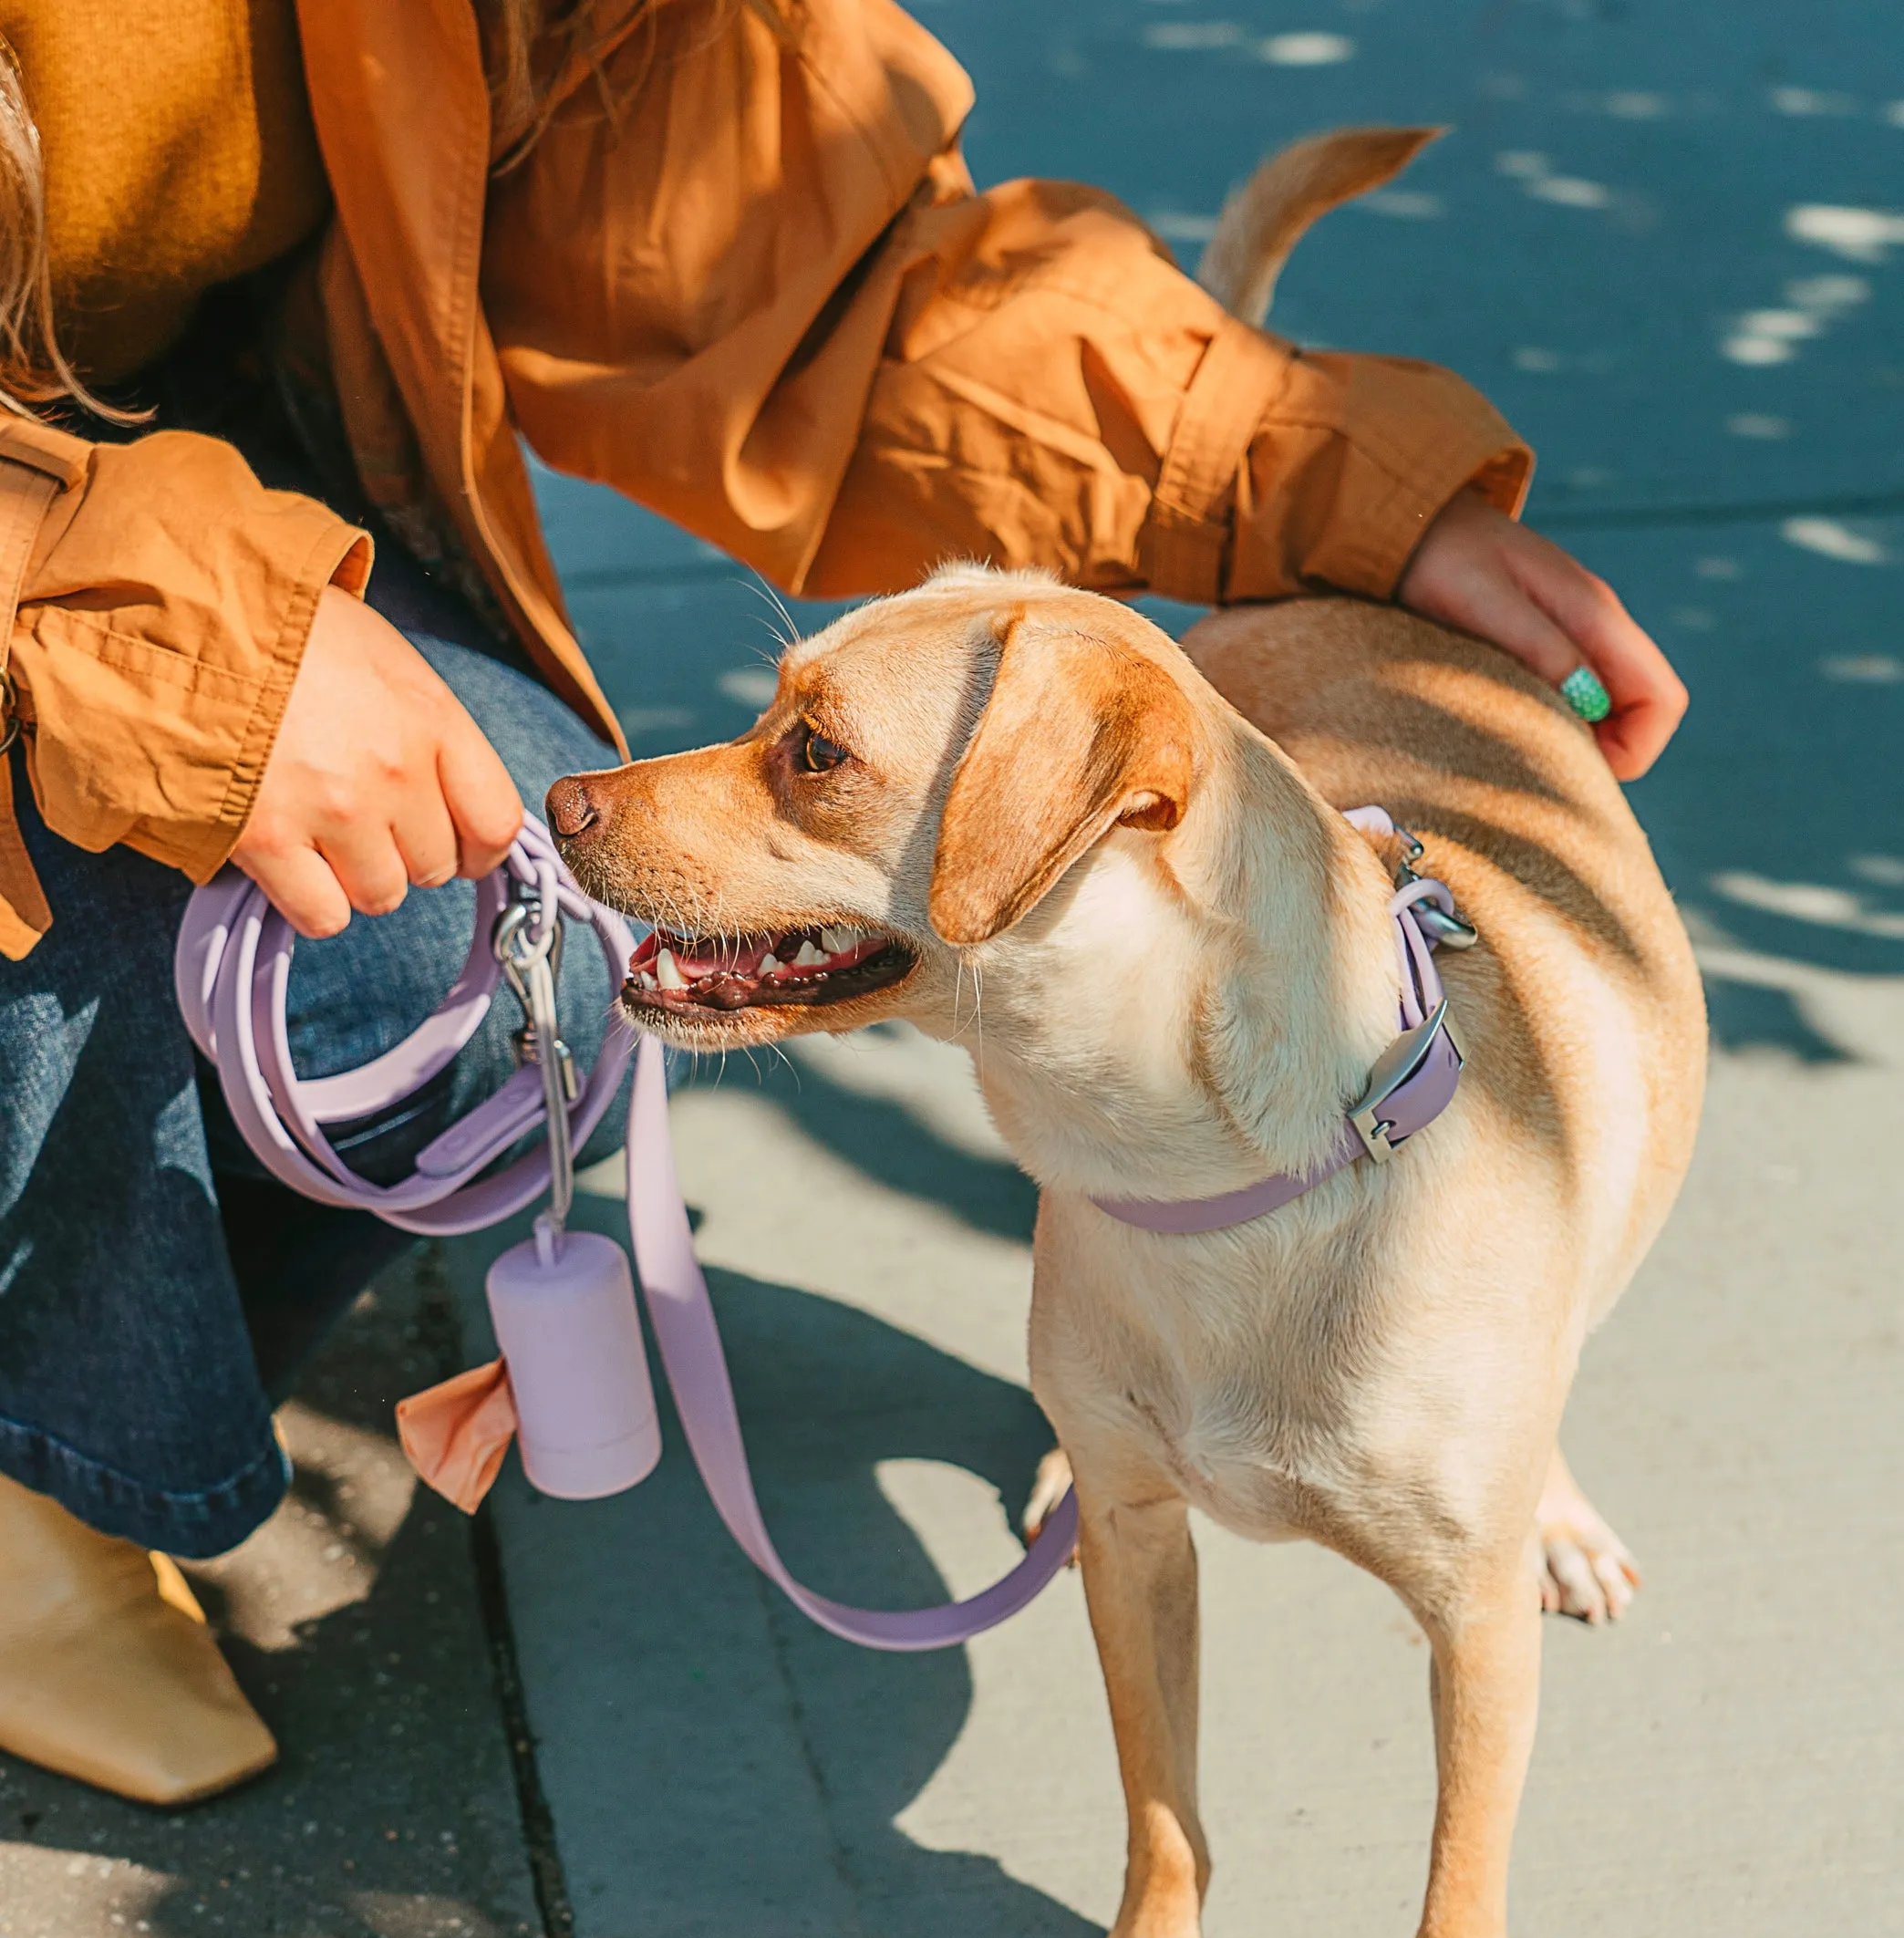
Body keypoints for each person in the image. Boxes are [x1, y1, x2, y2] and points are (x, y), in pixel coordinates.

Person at [0, 0, 1685, 1808]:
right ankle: (45, 1453)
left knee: (508, 934)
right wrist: (144, 635)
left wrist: (1310, 477)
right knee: (293, 878)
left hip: (177, 443)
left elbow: (795, 254)